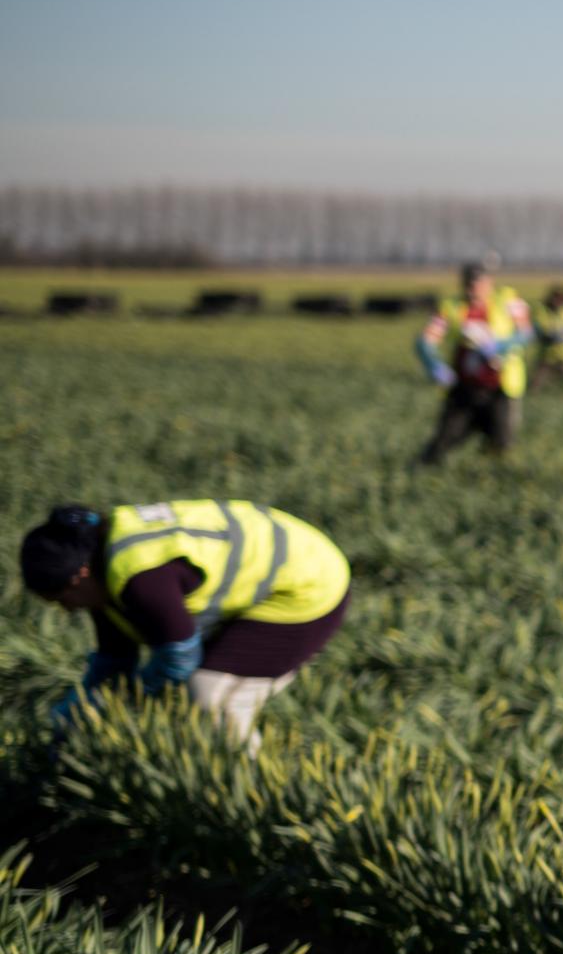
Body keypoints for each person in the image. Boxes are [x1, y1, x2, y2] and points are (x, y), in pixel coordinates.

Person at [19, 500, 351, 754]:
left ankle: (248, 792)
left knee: (211, 695)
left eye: (61, 599)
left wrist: (126, 702)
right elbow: (114, 661)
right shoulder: (103, 574)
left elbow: (178, 660)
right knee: (197, 696)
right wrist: (75, 712)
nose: (67, 610)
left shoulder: (141, 579)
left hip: (308, 582)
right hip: (284, 562)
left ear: (78, 577)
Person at [414, 260, 535, 465]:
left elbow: (527, 333)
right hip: (464, 388)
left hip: (500, 388)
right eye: (469, 284)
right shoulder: (451, 308)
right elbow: (425, 341)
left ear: (489, 282)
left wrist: (501, 346)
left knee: (502, 443)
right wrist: (433, 364)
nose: (474, 289)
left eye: (479, 283)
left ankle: (486, 478)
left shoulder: (507, 301)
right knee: (443, 441)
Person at [530, 286, 563, 390]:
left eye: (562, 298)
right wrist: (550, 337)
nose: (558, 300)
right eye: (556, 297)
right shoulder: (542, 311)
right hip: (548, 354)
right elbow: (538, 330)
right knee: (536, 382)